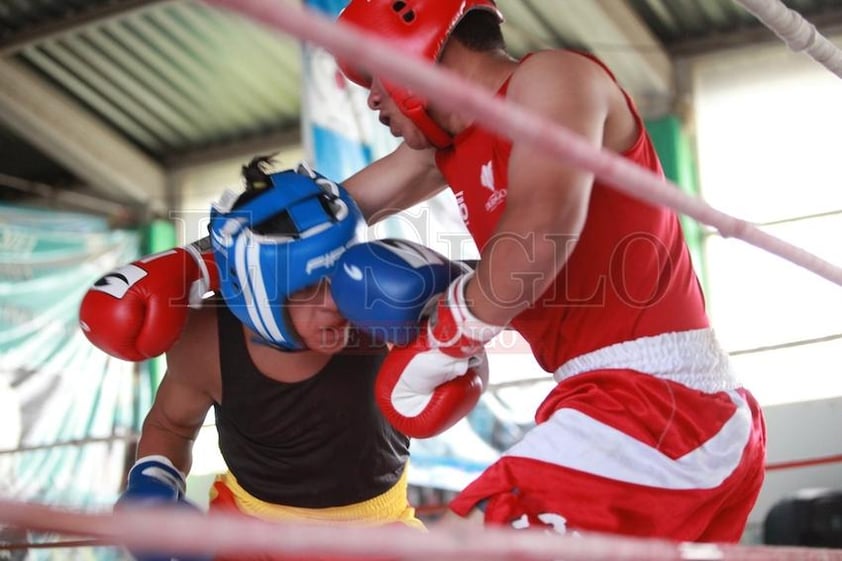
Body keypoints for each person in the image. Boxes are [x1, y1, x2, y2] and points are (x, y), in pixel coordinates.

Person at [327, 0, 767, 543]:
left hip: (663, 404)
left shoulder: (553, 79)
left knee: (473, 542)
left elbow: (542, 225)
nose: (370, 97)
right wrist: (211, 256)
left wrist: (446, 336)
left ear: (411, 42)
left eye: (374, 75)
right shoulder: (445, 150)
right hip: (617, 407)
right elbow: (328, 212)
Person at [79, 160, 424, 561]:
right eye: (308, 285)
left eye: (339, 274)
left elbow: (430, 161)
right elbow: (172, 423)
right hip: (248, 535)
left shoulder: (385, 297)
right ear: (254, 290)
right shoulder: (205, 338)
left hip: (379, 535)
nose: (334, 302)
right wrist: (152, 481)